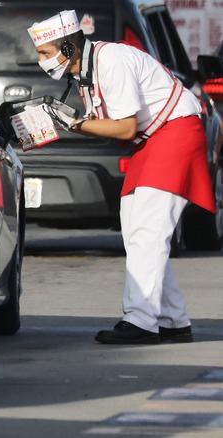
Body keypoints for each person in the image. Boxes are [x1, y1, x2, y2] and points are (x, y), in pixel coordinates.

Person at [26, 10, 214, 344]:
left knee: (148, 232)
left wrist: (72, 123)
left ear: (68, 48)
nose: (41, 60)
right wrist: (66, 120)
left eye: (45, 52)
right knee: (137, 229)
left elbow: (125, 128)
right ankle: (173, 319)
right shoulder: (89, 66)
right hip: (155, 139)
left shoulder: (110, 61)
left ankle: (142, 321)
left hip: (174, 134)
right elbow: (117, 127)